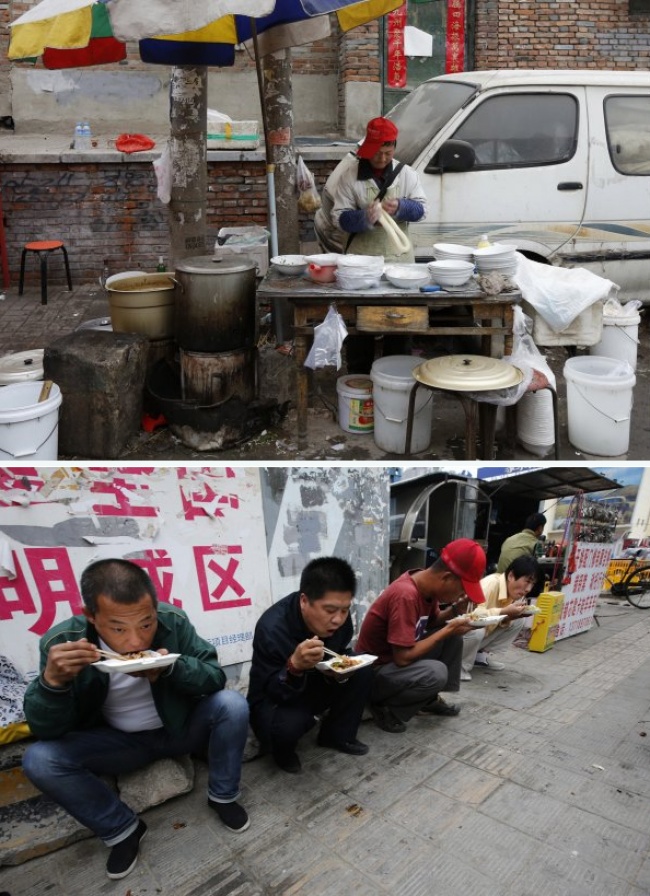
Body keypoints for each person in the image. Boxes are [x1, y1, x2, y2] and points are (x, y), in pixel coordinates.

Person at [22, 558, 250, 881]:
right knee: (39, 760)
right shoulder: (65, 643)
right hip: (120, 743)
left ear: (155, 609)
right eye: (117, 628)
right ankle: (122, 829)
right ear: (91, 616)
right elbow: (46, 729)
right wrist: (52, 684)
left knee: (233, 704)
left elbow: (213, 677)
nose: (136, 642)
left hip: (178, 729)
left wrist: (171, 668)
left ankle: (223, 796)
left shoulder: (173, 622)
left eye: (146, 623)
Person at [315, 116, 428, 373]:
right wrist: (365, 217)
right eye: (377, 153)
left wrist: (401, 207)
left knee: (399, 330)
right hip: (360, 269)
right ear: (367, 149)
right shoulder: (349, 177)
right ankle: (359, 381)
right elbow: (340, 219)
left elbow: (422, 210)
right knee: (360, 329)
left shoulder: (406, 175)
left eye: (388, 152)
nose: (382, 158)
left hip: (400, 268)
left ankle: (395, 381)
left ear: (394, 148)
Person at [247, 556, 374, 774]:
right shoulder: (272, 628)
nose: (338, 619)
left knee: (361, 669)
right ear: (304, 601)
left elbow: (339, 652)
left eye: (344, 610)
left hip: (318, 681)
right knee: (288, 725)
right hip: (278, 696)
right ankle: (282, 753)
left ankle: (337, 735)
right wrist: (294, 666)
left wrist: (341, 672)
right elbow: (270, 690)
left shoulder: (340, 621)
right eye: (330, 610)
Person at [355, 539, 486, 734]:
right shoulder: (406, 595)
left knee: (453, 638)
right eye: (462, 589)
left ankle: (428, 699)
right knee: (436, 672)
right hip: (374, 672)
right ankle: (385, 707)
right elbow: (402, 658)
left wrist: (455, 610)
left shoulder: (425, 584)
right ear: (447, 577)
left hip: (393, 664)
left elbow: (430, 622)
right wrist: (447, 630)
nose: (461, 594)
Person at [461, 555, 540, 680]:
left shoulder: (515, 592)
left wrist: (511, 616)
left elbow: (502, 618)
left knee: (519, 619)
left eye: (532, 584)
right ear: (511, 576)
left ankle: (479, 655)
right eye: (527, 581)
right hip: (460, 634)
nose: (528, 589)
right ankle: (459, 667)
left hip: (483, 633)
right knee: (476, 630)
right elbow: (474, 616)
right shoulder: (490, 584)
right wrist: (504, 611)